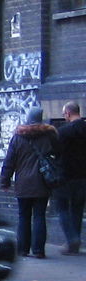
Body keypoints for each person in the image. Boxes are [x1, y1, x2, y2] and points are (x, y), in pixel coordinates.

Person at [0, 106, 58, 258]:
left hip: (23, 183)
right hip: (42, 182)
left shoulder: (18, 137)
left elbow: (9, 161)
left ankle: (23, 249)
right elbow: (58, 155)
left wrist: (5, 180)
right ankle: (38, 250)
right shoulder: (49, 136)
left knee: (23, 216)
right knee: (39, 215)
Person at [55, 101, 86, 255]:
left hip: (65, 175)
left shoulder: (63, 131)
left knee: (62, 208)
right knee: (77, 209)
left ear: (67, 113)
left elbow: (56, 152)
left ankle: (71, 238)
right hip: (83, 176)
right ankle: (75, 241)